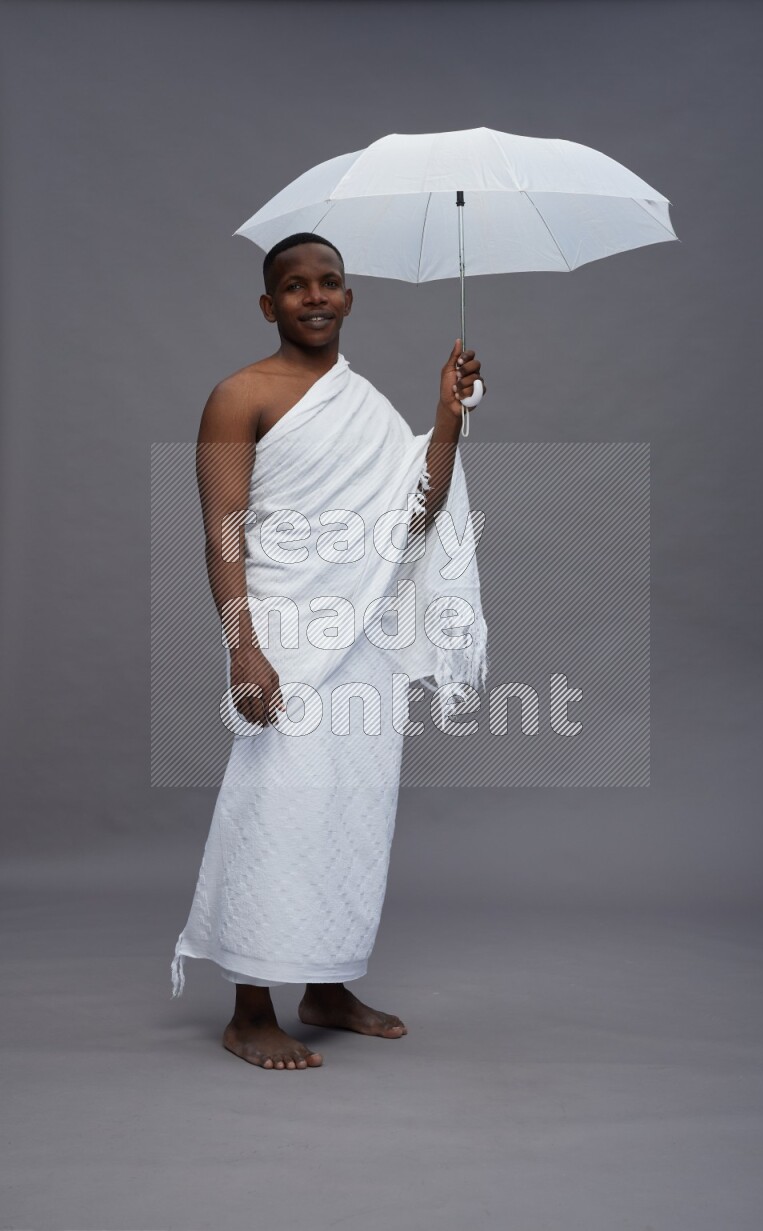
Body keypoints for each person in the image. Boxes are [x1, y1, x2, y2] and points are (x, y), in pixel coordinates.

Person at [170, 233, 487, 1070]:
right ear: (269, 305)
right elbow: (220, 534)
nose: (316, 296)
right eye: (295, 286)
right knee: (279, 807)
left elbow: (416, 516)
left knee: (352, 810)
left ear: (349, 298)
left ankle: (327, 984)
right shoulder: (238, 396)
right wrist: (243, 650)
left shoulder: (369, 405)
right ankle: (248, 1008)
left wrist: (447, 418)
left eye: (331, 282)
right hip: (283, 634)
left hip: (364, 640)